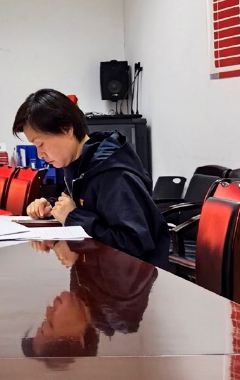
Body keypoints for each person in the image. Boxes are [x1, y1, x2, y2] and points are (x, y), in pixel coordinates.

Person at [12, 88, 170, 268]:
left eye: (40, 144)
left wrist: (73, 217)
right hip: (97, 271)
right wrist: (51, 206)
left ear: (67, 129)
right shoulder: (78, 165)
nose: (39, 154)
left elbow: (135, 244)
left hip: (130, 278)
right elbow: (83, 205)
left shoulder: (113, 175)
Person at [22, 239, 159, 366]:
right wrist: (72, 244)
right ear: (77, 339)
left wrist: (53, 240)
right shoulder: (120, 298)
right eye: (50, 323)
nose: (48, 310)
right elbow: (129, 235)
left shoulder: (83, 296)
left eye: (45, 320)